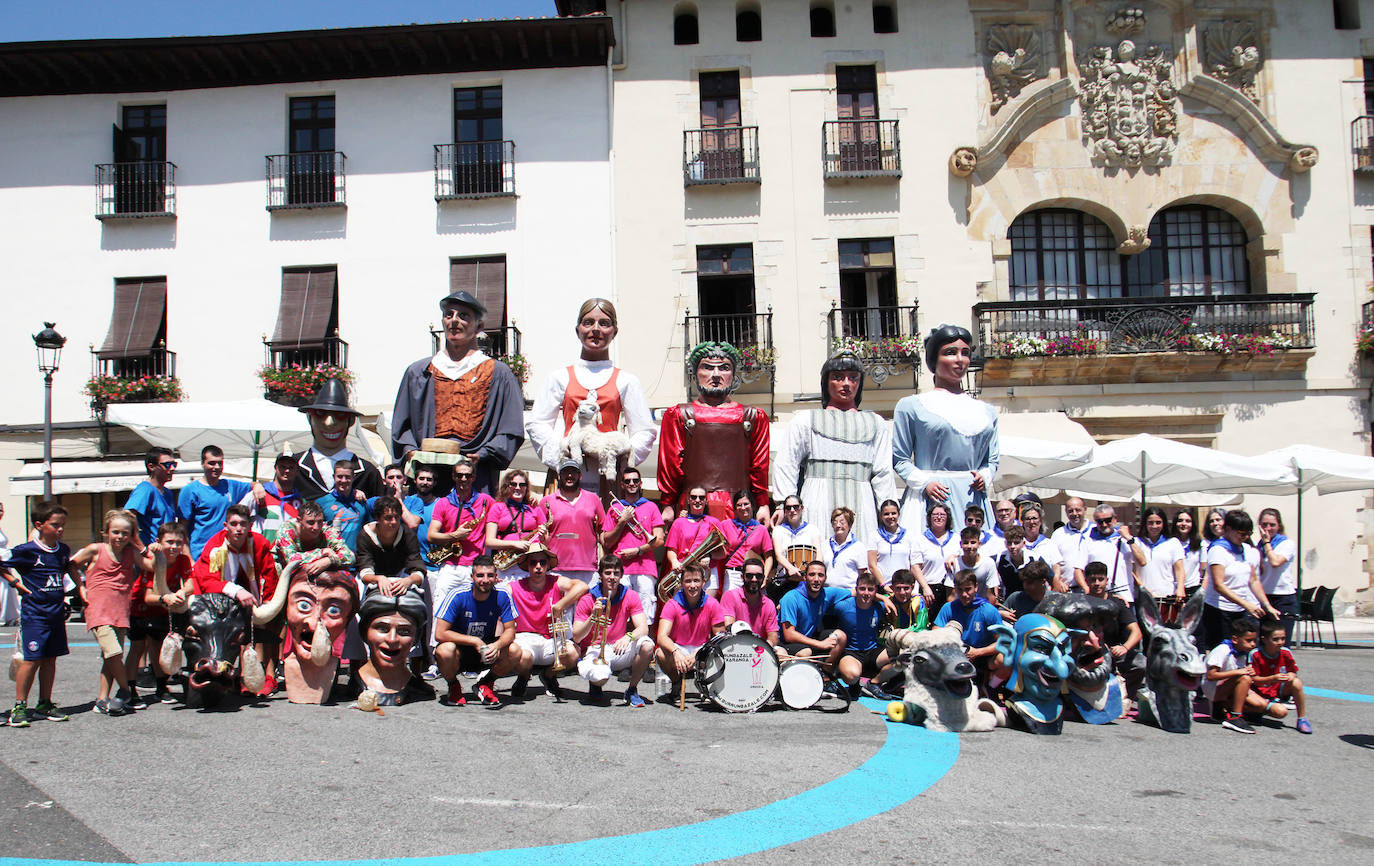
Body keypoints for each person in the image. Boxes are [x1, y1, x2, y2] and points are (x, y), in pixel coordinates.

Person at [391, 289, 525, 494]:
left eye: (464, 316)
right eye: (449, 315)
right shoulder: (418, 372)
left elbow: (511, 428)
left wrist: (484, 453)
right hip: (429, 476)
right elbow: (402, 424)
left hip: (476, 477)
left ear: (479, 325)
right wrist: (410, 451)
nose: (455, 321)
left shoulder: (499, 374)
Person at [525, 298, 657, 492]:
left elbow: (645, 430)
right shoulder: (558, 377)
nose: (596, 329)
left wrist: (619, 454)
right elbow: (537, 423)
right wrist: (561, 453)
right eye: (588, 322)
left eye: (604, 323)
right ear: (577, 330)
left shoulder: (627, 381)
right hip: (567, 474)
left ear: (614, 332)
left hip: (608, 477)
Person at [772, 352, 896, 540]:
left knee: (860, 554)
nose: (846, 383)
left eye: (853, 378)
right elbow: (786, 463)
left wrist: (887, 508)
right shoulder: (805, 420)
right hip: (817, 499)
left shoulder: (877, 423)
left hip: (862, 502)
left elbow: (883, 472)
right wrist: (783, 504)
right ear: (826, 382)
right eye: (838, 377)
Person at [893, 323, 997, 534]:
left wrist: (985, 475)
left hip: (972, 498)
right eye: (950, 353)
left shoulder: (987, 411)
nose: (959, 359)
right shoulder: (911, 405)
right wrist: (925, 484)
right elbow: (900, 460)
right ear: (934, 359)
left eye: (965, 353)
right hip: (932, 497)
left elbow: (992, 459)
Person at [657, 341, 770, 524]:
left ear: (734, 376)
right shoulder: (677, 415)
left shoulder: (753, 417)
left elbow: (759, 465)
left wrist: (763, 503)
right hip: (693, 508)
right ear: (695, 376)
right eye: (707, 368)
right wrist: (667, 504)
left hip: (738, 509)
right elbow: (670, 466)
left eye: (724, 368)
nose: (716, 375)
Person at [4, 502, 82, 727]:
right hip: (35, 616)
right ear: (39, 525)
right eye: (55, 525)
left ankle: (44, 703)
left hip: (56, 615)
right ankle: (19, 706)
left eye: (63, 525)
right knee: (31, 660)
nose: (60, 529)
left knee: (50, 660)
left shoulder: (62, 550)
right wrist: (15, 582)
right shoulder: (27, 551)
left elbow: (68, 570)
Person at [192, 504, 282, 695]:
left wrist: (266, 603)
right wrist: (235, 591)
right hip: (220, 602)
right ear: (226, 525)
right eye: (234, 524)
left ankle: (268, 677)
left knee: (268, 624)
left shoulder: (259, 543)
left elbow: (269, 576)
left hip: (255, 600)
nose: (239, 528)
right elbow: (206, 579)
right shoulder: (215, 546)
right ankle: (227, 675)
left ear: (250, 525)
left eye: (243, 524)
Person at [70, 509, 150, 715]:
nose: (120, 537)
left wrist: (138, 542)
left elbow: (150, 565)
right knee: (114, 652)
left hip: (120, 612)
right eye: (115, 532)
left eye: (125, 533)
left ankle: (101, 700)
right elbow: (71, 564)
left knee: (110, 658)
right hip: (98, 611)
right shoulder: (96, 549)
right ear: (106, 532)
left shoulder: (131, 553)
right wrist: (81, 587)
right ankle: (125, 690)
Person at [433, 556, 529, 707]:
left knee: (515, 651)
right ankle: (453, 686)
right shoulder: (457, 595)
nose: (485, 580)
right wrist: (474, 641)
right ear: (472, 577)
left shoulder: (502, 595)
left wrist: (497, 646)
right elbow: (440, 633)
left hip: (486, 649)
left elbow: (510, 631)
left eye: (490, 575)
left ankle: (485, 683)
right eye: (480, 575)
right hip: (460, 649)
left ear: (496, 577)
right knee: (444, 650)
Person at [572, 555, 654, 707]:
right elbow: (577, 636)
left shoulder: (630, 595)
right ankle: (595, 685)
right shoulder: (587, 599)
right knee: (600, 677)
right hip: (596, 648)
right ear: (600, 576)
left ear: (621, 575)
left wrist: (628, 636)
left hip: (619, 647)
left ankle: (632, 689)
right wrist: (593, 617)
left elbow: (643, 628)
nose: (612, 577)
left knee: (647, 645)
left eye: (616, 573)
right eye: (608, 573)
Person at [508, 544, 588, 699]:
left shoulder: (556, 582)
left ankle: (548, 675)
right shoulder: (515, 586)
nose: (538, 567)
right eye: (533, 563)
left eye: (542, 563)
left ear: (547, 565)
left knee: (573, 653)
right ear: (528, 566)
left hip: (550, 639)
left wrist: (561, 604)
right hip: (525, 638)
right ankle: (523, 677)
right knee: (522, 657)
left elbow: (582, 586)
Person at [127, 521, 192, 705]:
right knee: (137, 648)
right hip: (141, 608)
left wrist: (182, 593)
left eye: (178, 543)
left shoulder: (183, 559)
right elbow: (147, 596)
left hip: (164, 608)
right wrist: (165, 598)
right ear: (159, 541)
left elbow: (190, 583)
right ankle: (129, 689)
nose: (174, 547)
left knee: (158, 647)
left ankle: (161, 687)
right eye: (169, 542)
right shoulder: (154, 558)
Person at [292, 378, 384, 502]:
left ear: (350, 421)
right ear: (310, 419)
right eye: (320, 414)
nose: (329, 423)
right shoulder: (292, 467)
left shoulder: (368, 473)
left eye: (339, 416)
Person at [1203, 509, 1279, 650]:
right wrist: (1246, 604)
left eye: (1248, 534)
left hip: (1240, 611)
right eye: (1241, 533)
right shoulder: (1218, 550)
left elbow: (1253, 580)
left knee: (1243, 652)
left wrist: (1267, 605)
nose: (1244, 537)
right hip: (1219, 611)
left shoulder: (1247, 550)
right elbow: (1219, 585)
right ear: (1229, 529)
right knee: (1222, 653)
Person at [427, 459, 494, 610]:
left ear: (474, 478)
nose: (464, 479)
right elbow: (431, 535)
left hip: (476, 567)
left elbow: (504, 515)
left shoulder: (486, 501)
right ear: (453, 477)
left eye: (468, 476)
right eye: (459, 475)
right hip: (450, 566)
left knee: (473, 611)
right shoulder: (443, 503)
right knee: (440, 609)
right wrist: (455, 535)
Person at [599, 466, 664, 619]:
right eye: (628, 481)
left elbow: (659, 539)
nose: (632, 483)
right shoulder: (615, 508)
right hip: (619, 570)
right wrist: (622, 521)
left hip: (645, 568)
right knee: (619, 615)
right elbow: (606, 542)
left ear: (640, 483)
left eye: (635, 480)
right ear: (622, 485)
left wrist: (638, 550)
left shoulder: (651, 507)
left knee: (645, 614)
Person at [352, 588, 436, 706]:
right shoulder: (355, 684)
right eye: (382, 629)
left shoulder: (419, 691)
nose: (392, 639)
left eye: (404, 631)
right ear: (364, 631)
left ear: (416, 637)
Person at [655, 563, 727, 692]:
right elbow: (661, 636)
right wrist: (676, 652)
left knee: (719, 653)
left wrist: (699, 652)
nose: (692, 586)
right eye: (688, 581)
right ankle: (676, 682)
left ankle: (706, 684)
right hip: (679, 646)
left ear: (703, 583)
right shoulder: (672, 604)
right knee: (660, 653)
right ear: (682, 583)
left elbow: (720, 636)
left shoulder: (712, 603)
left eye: (696, 581)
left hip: (702, 647)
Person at [178, 445, 254, 560]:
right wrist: (188, 558)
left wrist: (258, 487)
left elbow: (253, 485)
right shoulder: (190, 491)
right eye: (212, 463)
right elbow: (181, 529)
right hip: (200, 554)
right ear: (203, 463)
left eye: (220, 463)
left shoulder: (230, 486)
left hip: (228, 554)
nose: (217, 467)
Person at [1082, 560, 1144, 695]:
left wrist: (1125, 647)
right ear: (1086, 580)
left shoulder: (1118, 603)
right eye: (1093, 580)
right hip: (1088, 654)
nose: (1097, 583)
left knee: (1141, 664)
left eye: (1100, 579)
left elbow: (1136, 632)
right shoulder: (1079, 603)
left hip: (1115, 652)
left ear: (1107, 580)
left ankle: (1125, 695)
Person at [778, 561, 850, 672]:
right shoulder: (791, 597)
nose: (816, 579)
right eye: (812, 574)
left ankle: (826, 675)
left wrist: (883, 598)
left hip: (809, 639)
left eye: (820, 575)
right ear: (805, 577)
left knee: (840, 636)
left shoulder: (827, 593)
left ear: (825, 578)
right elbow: (789, 635)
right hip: (786, 643)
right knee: (806, 652)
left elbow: (857, 592)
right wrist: (820, 644)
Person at [544, 459, 606, 585]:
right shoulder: (546, 501)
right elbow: (540, 536)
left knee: (587, 605)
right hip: (556, 569)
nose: (570, 476)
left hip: (588, 570)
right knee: (557, 605)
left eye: (574, 472)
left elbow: (603, 532)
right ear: (559, 476)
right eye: (566, 472)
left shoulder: (594, 499)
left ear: (580, 476)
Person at [355, 496, 426, 606]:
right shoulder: (365, 535)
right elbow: (365, 571)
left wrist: (409, 581)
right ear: (377, 518)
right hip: (373, 578)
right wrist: (378, 579)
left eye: (396, 517)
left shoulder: (408, 535)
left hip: (400, 577)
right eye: (388, 518)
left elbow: (418, 568)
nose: (393, 522)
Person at [1204, 615, 1268, 734]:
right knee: (1244, 678)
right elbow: (1211, 676)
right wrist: (1239, 672)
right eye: (1249, 641)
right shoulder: (1223, 650)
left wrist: (1250, 672)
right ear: (1235, 639)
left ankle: (1223, 709)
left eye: (1255, 641)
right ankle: (1235, 717)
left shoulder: (1243, 653)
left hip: (1228, 686)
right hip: (1213, 688)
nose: (1253, 644)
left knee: (1261, 705)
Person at [933, 569, 1003, 675]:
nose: (964, 594)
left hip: (981, 655)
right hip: (954, 655)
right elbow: (936, 633)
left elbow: (1002, 642)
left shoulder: (988, 610)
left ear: (976, 587)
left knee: (1003, 659)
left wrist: (977, 652)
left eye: (968, 589)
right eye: (960, 590)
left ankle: (990, 686)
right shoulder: (948, 608)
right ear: (955, 589)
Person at [1249, 618, 1311, 734]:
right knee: (1281, 712)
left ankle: (1302, 718)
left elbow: (1293, 671)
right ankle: (1253, 711)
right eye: (1275, 639)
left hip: (1278, 690)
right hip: (1260, 692)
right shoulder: (1255, 654)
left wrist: (1291, 675)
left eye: (1283, 639)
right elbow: (1253, 680)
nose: (1280, 642)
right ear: (1264, 640)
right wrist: (1273, 679)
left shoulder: (1286, 652)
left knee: (1296, 682)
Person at [1074, 504, 1145, 602]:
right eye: (1100, 521)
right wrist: (1087, 590)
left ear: (1115, 519)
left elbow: (1142, 562)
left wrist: (1129, 538)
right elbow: (1078, 570)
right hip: (1098, 598)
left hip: (1125, 597)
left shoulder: (1125, 540)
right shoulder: (1087, 540)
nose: (1104, 524)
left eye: (1108, 520)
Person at [868, 499, 931, 604]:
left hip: (904, 589)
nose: (890, 517)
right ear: (881, 516)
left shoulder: (909, 535)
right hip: (884, 587)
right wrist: (884, 585)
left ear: (898, 514)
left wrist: (914, 587)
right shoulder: (874, 536)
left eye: (893, 513)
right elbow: (872, 565)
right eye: (886, 514)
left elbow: (914, 565)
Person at [834, 571, 886, 698]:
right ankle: (855, 684)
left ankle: (874, 683)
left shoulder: (881, 607)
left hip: (873, 651)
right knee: (851, 675)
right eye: (862, 589)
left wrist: (885, 598)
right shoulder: (843, 606)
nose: (866, 593)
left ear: (875, 592)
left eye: (870, 589)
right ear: (856, 589)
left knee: (901, 657)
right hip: (851, 652)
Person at [664, 486, 727, 590]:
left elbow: (723, 553)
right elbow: (671, 550)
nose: (697, 500)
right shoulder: (679, 522)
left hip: (707, 572)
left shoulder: (714, 522)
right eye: (694, 497)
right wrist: (674, 561)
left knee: (707, 606)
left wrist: (710, 557)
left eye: (701, 498)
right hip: (684, 570)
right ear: (689, 500)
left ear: (706, 501)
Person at [274, 501, 355, 577]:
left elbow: (350, 556)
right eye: (310, 522)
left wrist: (329, 560)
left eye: (320, 522)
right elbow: (291, 559)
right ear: (299, 520)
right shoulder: (287, 529)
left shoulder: (326, 530)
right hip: (281, 572)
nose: (316, 527)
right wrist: (322, 552)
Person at [717, 490, 773, 596]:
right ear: (734, 508)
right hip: (733, 574)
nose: (743, 508)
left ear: (752, 505)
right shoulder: (725, 525)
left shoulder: (761, 529)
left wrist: (764, 576)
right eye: (739, 505)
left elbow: (768, 557)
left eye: (746, 504)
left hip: (754, 575)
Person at [1256, 508, 1299, 643]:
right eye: (1264, 524)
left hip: (1283, 597)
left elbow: (1275, 561)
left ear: (1279, 526)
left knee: (1280, 644)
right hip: (1264, 597)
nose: (1268, 528)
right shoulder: (1259, 546)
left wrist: (1267, 543)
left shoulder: (1286, 544)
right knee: (1263, 642)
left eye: (1272, 525)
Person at [125, 446, 179, 547]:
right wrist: (142, 549)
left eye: (174, 464)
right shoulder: (145, 490)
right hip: (152, 554)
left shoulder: (168, 493)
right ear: (151, 467)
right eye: (167, 465)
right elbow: (126, 518)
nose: (172, 469)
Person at [771, 494, 823, 598]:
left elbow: (819, 556)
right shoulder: (778, 530)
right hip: (785, 581)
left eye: (796, 507)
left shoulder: (812, 529)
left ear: (801, 508)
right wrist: (791, 569)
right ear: (785, 511)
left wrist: (812, 574)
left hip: (807, 582)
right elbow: (778, 555)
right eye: (788, 508)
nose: (792, 510)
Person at [1135, 506, 1186, 611]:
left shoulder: (1173, 542)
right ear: (1145, 524)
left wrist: (1180, 588)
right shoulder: (1136, 542)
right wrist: (1143, 588)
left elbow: (1179, 569)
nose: (1154, 526)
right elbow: (1131, 570)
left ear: (1164, 524)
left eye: (1158, 522)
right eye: (1150, 523)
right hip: (1144, 597)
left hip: (1167, 596)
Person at [721, 556, 780, 645]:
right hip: (735, 647)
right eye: (749, 575)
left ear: (763, 578)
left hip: (760, 649)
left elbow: (773, 637)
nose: (754, 579)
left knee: (781, 652)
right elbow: (729, 629)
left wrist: (762, 650)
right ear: (742, 577)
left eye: (758, 576)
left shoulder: (769, 604)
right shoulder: (730, 596)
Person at [249, 452, 303, 544]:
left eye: (291, 467)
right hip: (263, 554)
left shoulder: (301, 501)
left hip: (290, 555)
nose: (287, 470)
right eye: (283, 466)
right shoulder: (259, 494)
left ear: (297, 471)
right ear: (275, 468)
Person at [317, 463, 370, 553]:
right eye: (340, 476)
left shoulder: (362, 502)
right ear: (334, 477)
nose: (343, 480)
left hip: (358, 560)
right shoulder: (322, 503)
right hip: (332, 560)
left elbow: (370, 530)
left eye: (347, 477)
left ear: (354, 477)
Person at [918, 503, 958, 611]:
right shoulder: (921, 540)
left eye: (942, 514)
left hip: (951, 589)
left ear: (948, 518)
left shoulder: (957, 539)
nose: (939, 517)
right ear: (929, 518)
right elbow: (915, 567)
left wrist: (954, 556)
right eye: (935, 514)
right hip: (929, 590)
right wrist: (925, 587)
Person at [1018, 503, 1066, 591]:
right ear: (1022, 522)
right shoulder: (1018, 544)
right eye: (1028, 519)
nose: (1031, 522)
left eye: (1034, 518)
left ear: (1040, 521)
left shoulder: (1050, 544)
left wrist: (1055, 584)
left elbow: (1056, 568)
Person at [404, 465, 443, 569]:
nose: (425, 482)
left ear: (434, 483)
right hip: (409, 562)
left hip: (434, 564)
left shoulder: (442, 504)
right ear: (415, 480)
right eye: (421, 478)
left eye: (429, 480)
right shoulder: (406, 502)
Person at [825, 506, 869, 592]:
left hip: (848, 594)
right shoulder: (825, 545)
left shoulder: (858, 547)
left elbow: (863, 575)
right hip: (827, 592)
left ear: (849, 524)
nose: (838, 525)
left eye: (842, 522)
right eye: (835, 522)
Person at [954, 525, 999, 604]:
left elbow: (991, 595)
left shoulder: (989, 563)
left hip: (982, 607)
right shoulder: (954, 563)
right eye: (966, 543)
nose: (969, 546)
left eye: (973, 542)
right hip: (960, 607)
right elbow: (951, 595)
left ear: (979, 544)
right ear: (960, 544)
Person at [1050, 497, 1090, 570]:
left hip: (1093, 581)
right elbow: (1053, 561)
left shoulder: (1095, 530)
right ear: (1066, 512)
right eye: (1070, 511)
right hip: (1065, 581)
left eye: (1078, 510)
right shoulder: (1058, 534)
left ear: (1085, 509)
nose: (1074, 514)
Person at [1173, 509, 1205, 596]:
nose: (1184, 524)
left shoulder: (1200, 544)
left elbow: (1203, 569)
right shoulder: (1169, 543)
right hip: (1173, 588)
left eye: (1188, 521)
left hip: (1193, 588)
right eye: (1180, 521)